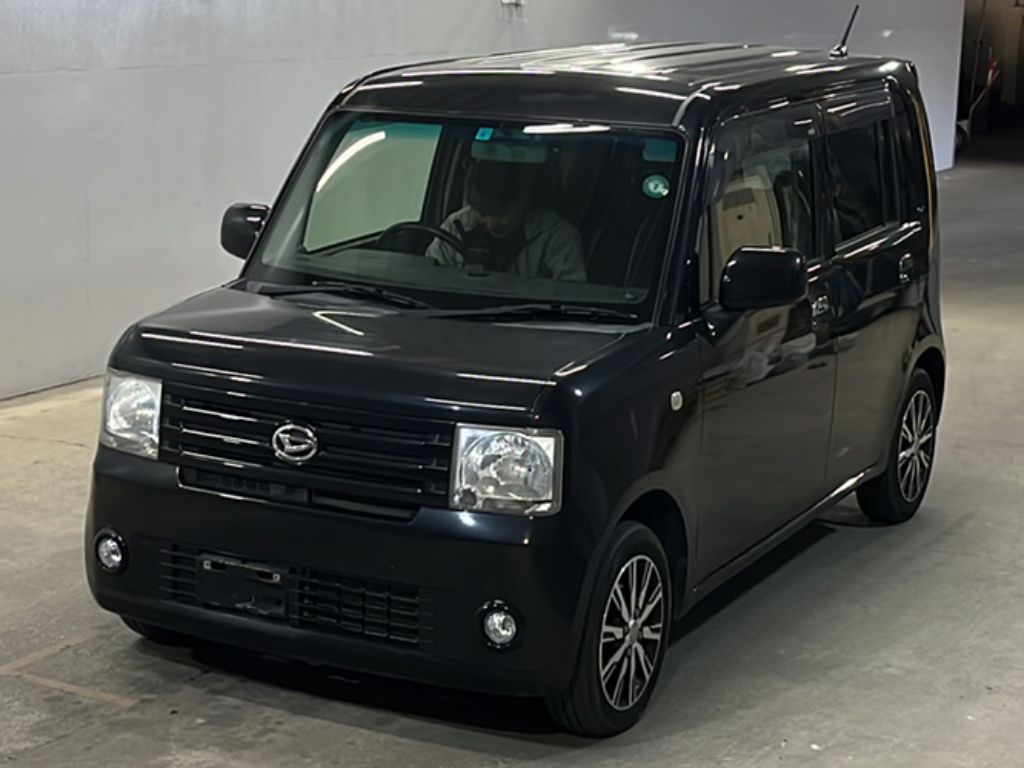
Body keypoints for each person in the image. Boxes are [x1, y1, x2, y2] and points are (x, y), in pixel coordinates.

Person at [426, 161, 587, 281]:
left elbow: (571, 296)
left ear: (523, 201)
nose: (490, 223)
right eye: (482, 213)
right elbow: (430, 277)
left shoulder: (557, 237)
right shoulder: (456, 225)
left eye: (499, 215)